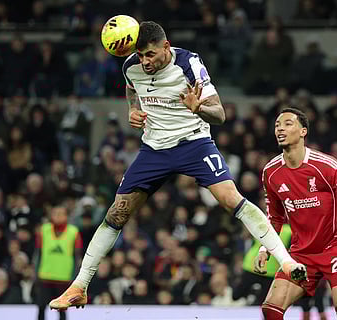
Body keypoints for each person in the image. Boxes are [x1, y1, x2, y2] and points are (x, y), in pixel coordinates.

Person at [49, 21, 307, 310]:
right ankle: (80, 286)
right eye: (140, 55)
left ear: (166, 47)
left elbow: (219, 114)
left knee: (230, 198)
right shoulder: (130, 66)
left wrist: (199, 108)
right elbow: (132, 90)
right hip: (154, 149)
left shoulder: (190, 64)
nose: (145, 62)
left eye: (150, 55)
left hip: (193, 143)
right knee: (117, 212)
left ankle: (285, 262)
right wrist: (133, 109)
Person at [257, 107, 337, 320]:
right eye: (278, 125)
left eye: (288, 124)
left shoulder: (325, 165)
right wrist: (265, 248)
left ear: (303, 131)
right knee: (270, 309)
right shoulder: (271, 172)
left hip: (334, 247)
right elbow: (275, 217)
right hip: (301, 253)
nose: (280, 128)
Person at [35, 205, 83, 320]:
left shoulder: (73, 232)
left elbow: (78, 256)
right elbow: (37, 254)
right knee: (41, 307)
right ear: (51, 215)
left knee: (62, 309)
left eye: (61, 214)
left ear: (66, 216)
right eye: (55, 213)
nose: (58, 216)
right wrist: (35, 273)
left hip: (64, 278)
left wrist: (76, 276)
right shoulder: (44, 230)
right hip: (45, 276)